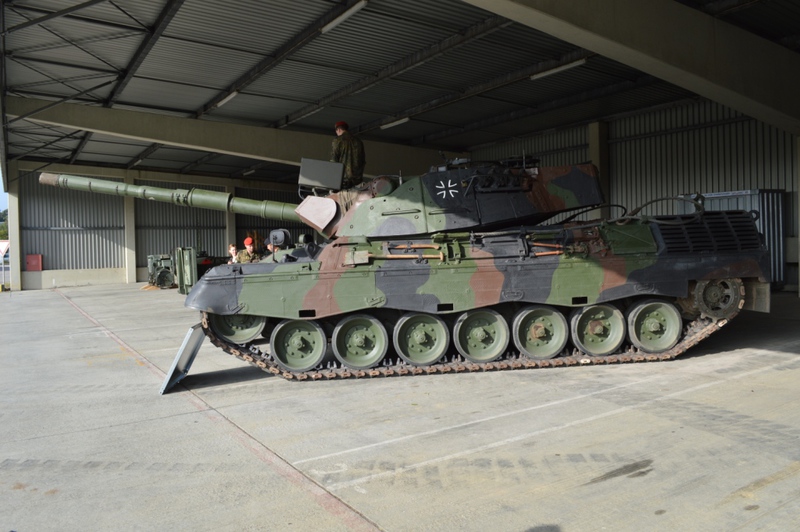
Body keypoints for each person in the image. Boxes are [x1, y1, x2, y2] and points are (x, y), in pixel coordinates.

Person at [330, 121, 366, 189]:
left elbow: (334, 159)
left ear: (339, 130)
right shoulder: (358, 141)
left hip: (342, 179)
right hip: (357, 180)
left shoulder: (337, 140)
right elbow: (362, 161)